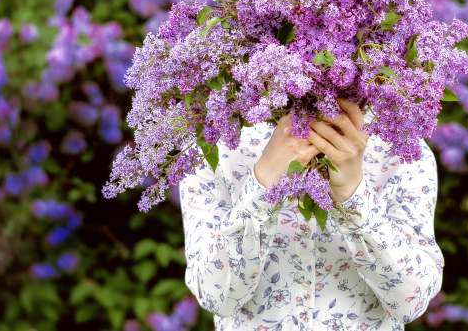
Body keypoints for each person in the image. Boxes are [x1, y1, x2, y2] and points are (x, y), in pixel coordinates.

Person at [179, 98, 444, 330]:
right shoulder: (218, 145)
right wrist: (264, 181)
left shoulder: (401, 150)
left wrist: (354, 195)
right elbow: (215, 296)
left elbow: (412, 301)